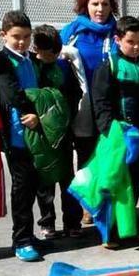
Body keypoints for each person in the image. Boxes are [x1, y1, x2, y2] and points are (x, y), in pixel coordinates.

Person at [92, 16, 139, 230]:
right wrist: (111, 131)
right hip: (120, 135)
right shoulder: (109, 66)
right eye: (130, 42)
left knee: (137, 181)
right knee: (117, 183)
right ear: (118, 40)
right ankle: (111, 231)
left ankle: (133, 226)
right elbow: (101, 102)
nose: (136, 47)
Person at [0, 11, 44, 262]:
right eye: (16, 37)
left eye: (26, 37)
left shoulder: (29, 58)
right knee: (22, 189)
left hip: (34, 133)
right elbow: (10, 92)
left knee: (32, 186)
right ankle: (21, 240)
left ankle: (28, 234)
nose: (21, 42)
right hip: (17, 134)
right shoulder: (2, 60)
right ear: (4, 35)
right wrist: (30, 112)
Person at [59, 0, 119, 196]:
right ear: (86, 6)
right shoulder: (72, 31)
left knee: (107, 153)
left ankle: (105, 200)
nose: (100, 9)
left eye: (105, 4)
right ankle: (87, 201)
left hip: (109, 104)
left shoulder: (117, 32)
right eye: (95, 4)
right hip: (82, 104)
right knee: (85, 154)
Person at [31, 25, 84, 239]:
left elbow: (76, 92)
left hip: (63, 131)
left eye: (55, 52)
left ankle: (72, 221)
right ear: (38, 49)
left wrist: (64, 114)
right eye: (47, 52)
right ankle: (47, 222)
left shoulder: (63, 66)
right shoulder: (33, 67)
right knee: (45, 180)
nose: (52, 56)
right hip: (41, 133)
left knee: (67, 178)